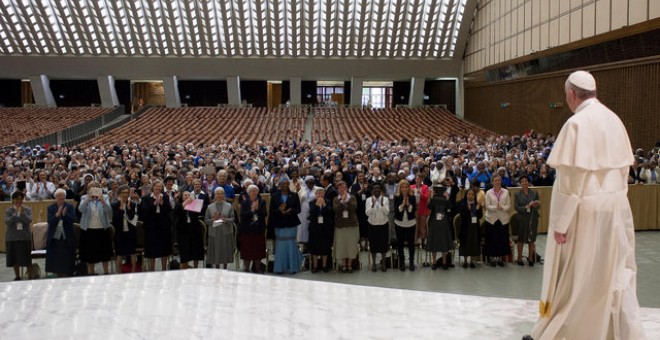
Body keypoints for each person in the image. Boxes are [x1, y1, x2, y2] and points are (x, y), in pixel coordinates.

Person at [530, 71, 645, 339]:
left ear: (571, 94)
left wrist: (560, 223)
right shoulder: (614, 119)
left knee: (580, 276)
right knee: (614, 273)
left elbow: (570, 183)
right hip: (616, 208)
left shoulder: (576, 124)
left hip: (586, 212)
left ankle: (577, 331)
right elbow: (623, 172)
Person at [78, 180, 113, 275]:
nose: (93, 190)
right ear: (88, 189)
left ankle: (106, 272)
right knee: (90, 254)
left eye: (95, 188)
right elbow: (81, 209)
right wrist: (88, 199)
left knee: (104, 253)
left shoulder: (105, 197)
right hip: (88, 230)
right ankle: (91, 273)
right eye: (91, 188)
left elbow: (109, 211)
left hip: (102, 229)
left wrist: (103, 202)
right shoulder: (84, 197)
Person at [269, 178, 303, 274]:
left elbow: (298, 209)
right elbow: (271, 210)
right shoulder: (275, 196)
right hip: (279, 224)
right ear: (280, 185)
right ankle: (280, 268)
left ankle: (293, 267)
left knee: (291, 244)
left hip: (291, 223)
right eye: (283, 184)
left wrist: (290, 211)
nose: (285, 185)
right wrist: (280, 210)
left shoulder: (294, 195)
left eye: (287, 184)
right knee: (280, 246)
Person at [139, 180, 173, 271]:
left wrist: (162, 203)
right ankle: (152, 270)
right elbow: (144, 211)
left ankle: (164, 269)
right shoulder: (146, 198)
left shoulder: (165, 197)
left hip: (163, 226)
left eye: (160, 187)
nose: (158, 188)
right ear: (153, 187)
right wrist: (154, 203)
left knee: (164, 249)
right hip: (151, 226)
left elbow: (169, 210)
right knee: (151, 250)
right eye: (156, 186)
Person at [46, 188, 76, 277]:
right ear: (56, 197)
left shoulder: (69, 206)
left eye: (63, 196)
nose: (61, 198)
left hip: (67, 235)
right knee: (56, 256)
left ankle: (68, 273)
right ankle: (57, 273)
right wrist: (57, 215)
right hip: (55, 236)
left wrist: (64, 214)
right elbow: (50, 221)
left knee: (67, 256)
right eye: (59, 196)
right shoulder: (51, 208)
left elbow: (72, 219)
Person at [483, 175, 510, 267]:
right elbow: (487, 206)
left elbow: (508, 205)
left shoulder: (506, 192)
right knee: (492, 239)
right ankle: (492, 258)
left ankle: (499, 258)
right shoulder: (488, 192)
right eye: (495, 180)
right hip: (491, 219)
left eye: (499, 180)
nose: (497, 182)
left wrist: (502, 208)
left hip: (503, 219)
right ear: (492, 182)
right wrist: (495, 208)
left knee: (502, 239)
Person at [238, 184, 267, 273]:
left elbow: (264, 214)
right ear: (248, 193)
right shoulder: (244, 203)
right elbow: (242, 215)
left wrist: (257, 209)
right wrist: (252, 211)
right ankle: (246, 268)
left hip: (258, 230)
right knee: (247, 251)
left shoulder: (262, 202)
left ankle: (257, 269)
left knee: (258, 251)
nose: (254, 193)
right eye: (252, 191)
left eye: (256, 191)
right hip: (247, 230)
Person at [205, 187, 235, 269]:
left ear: (224, 195)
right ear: (214, 195)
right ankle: (217, 268)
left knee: (225, 250)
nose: (219, 195)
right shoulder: (209, 207)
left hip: (226, 231)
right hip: (214, 232)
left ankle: (225, 268)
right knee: (216, 251)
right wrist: (213, 219)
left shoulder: (229, 206)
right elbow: (206, 220)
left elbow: (233, 219)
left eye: (221, 193)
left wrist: (225, 219)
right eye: (218, 193)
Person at [4, 191, 32, 280]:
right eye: (16, 199)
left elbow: (29, 220)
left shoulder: (27, 209)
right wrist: (15, 214)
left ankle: (30, 275)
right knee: (14, 258)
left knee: (27, 258)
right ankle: (17, 276)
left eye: (20, 199)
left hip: (24, 237)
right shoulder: (9, 210)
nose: (18, 201)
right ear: (13, 200)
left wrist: (22, 213)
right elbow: (8, 222)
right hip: (12, 237)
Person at [333, 181, 359, 273]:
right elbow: (336, 210)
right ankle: (344, 264)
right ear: (338, 190)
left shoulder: (352, 197)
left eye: (344, 188)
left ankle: (350, 265)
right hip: (340, 226)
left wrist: (346, 201)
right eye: (340, 188)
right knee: (342, 246)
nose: (342, 190)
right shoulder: (336, 199)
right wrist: (341, 202)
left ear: (347, 188)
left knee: (351, 246)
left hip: (352, 225)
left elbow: (353, 208)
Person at [513, 176, 540, 266]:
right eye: (522, 181)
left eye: (526, 181)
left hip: (533, 218)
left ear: (528, 182)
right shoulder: (517, 194)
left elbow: (538, 206)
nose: (524, 183)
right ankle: (519, 258)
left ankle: (530, 258)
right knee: (521, 239)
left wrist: (535, 204)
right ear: (520, 183)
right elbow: (516, 207)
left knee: (531, 239)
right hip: (522, 219)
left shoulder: (534, 193)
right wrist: (526, 207)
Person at [426, 185, 454, 270]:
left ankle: (444, 262)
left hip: (444, 222)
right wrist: (430, 197)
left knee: (443, 241)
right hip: (434, 222)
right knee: (434, 241)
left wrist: (448, 197)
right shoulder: (433, 199)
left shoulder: (445, 199)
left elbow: (450, 208)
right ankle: (434, 262)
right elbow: (429, 207)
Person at [112, 185, 139, 273]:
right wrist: (122, 209)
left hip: (130, 232)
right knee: (119, 253)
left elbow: (132, 218)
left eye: (126, 193)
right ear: (119, 194)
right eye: (123, 193)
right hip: (119, 232)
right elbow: (115, 218)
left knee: (132, 252)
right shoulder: (115, 205)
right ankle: (119, 272)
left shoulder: (132, 204)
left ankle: (133, 270)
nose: (125, 194)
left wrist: (129, 208)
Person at [175, 191, 205, 269]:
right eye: (185, 195)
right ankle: (185, 266)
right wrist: (185, 204)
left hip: (194, 230)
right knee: (185, 251)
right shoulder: (179, 205)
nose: (187, 196)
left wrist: (195, 204)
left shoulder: (194, 203)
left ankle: (196, 267)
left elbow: (200, 213)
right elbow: (176, 213)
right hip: (183, 231)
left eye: (188, 195)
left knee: (196, 249)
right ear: (182, 197)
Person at [307, 188, 334, 272]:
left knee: (325, 248)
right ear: (315, 195)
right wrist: (316, 205)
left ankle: (324, 265)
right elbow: (311, 214)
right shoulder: (312, 202)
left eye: (321, 193)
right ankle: (315, 266)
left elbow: (330, 213)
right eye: (318, 193)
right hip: (315, 229)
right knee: (315, 248)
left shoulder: (328, 201)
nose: (320, 195)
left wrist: (324, 205)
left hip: (325, 229)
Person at [364, 183, 390, 272]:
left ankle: (383, 264)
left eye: (378, 189)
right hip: (372, 224)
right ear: (372, 191)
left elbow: (387, 212)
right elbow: (367, 213)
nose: (377, 190)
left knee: (383, 244)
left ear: (381, 190)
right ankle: (374, 263)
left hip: (383, 224)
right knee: (373, 244)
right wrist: (372, 205)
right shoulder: (368, 200)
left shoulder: (385, 199)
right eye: (375, 189)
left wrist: (382, 204)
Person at [394, 179, 417, 271]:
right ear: (400, 188)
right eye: (402, 187)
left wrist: (408, 204)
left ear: (409, 188)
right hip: (399, 223)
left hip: (410, 223)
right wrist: (403, 204)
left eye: (406, 187)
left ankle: (411, 261)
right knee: (400, 244)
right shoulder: (397, 197)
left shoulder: (412, 197)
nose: (404, 189)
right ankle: (402, 262)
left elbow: (413, 210)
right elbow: (397, 210)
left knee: (411, 244)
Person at [458, 188, 482, 268]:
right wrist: (468, 210)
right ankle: (465, 260)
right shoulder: (463, 203)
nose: (471, 196)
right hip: (466, 227)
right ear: (466, 195)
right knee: (466, 243)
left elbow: (480, 216)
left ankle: (472, 260)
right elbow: (462, 215)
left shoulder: (477, 203)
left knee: (474, 242)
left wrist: (478, 209)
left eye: (472, 194)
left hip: (475, 227)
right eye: (469, 194)